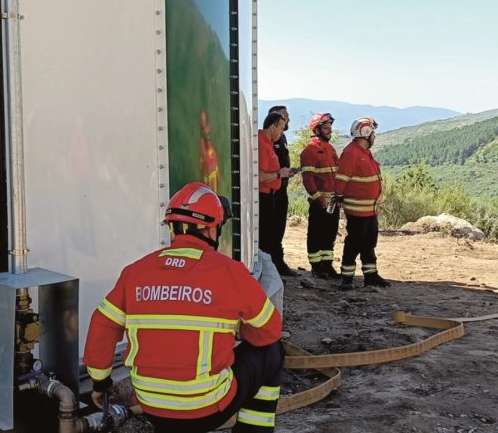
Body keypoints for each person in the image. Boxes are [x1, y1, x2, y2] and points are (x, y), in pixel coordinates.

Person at [83, 182, 284, 432]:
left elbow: (102, 325)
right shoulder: (228, 271)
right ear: (211, 229)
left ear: (172, 229)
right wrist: (237, 333)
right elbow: (270, 331)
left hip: (152, 406)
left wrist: (100, 383)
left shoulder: (135, 272)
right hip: (207, 408)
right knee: (272, 351)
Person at [334, 117, 389, 290]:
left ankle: (371, 275)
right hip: (358, 209)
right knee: (354, 243)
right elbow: (342, 179)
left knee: (369, 243)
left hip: (370, 209)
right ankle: (347, 279)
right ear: (365, 133)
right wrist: (339, 196)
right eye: (372, 133)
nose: (374, 136)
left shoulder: (364, 152)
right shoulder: (351, 153)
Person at [299, 112, 340, 278]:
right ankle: (316, 267)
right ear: (317, 129)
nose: (329, 130)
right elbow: (308, 179)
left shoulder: (329, 149)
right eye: (325, 127)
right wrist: (319, 198)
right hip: (319, 201)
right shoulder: (310, 150)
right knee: (317, 233)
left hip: (333, 201)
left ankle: (327, 265)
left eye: (330, 126)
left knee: (330, 233)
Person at [258, 112, 293, 275]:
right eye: (280, 128)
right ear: (272, 127)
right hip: (263, 197)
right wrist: (280, 174)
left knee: (271, 235)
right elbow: (259, 176)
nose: (282, 133)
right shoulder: (262, 144)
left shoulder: (269, 143)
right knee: (265, 237)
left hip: (271, 195)